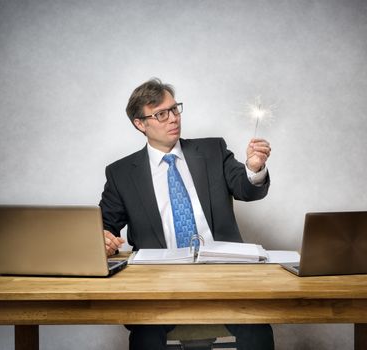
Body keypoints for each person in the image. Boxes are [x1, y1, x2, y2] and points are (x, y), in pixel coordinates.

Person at [99, 78, 273, 350]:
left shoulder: (213, 151)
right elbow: (103, 226)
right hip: (158, 285)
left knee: (258, 328)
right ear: (139, 124)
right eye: (161, 114)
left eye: (175, 109)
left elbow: (247, 189)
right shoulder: (122, 173)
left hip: (224, 277)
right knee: (145, 336)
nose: (173, 119)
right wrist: (103, 239)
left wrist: (254, 168)